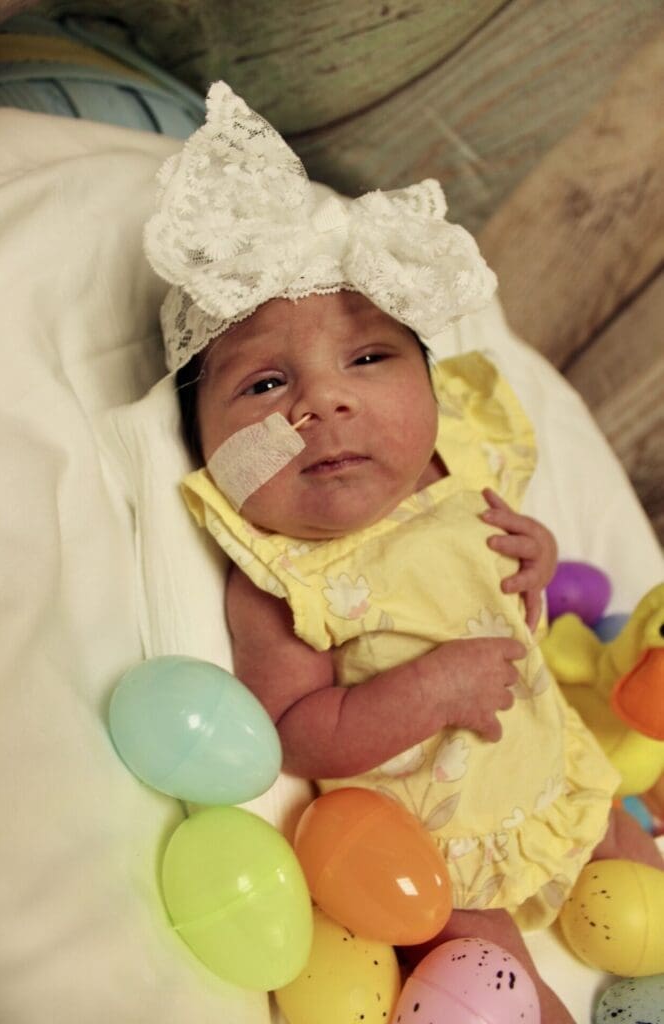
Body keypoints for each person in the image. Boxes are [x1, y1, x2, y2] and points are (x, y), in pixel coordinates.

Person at [144, 82, 663, 1024]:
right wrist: (428, 691)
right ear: (207, 448)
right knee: (489, 978)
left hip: (556, 764)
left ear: (429, 385)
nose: (323, 401)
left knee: (639, 878)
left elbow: (500, 571)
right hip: (440, 839)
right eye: (265, 384)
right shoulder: (280, 572)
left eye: (368, 359)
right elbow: (295, 729)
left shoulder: (455, 461)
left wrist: (537, 556)